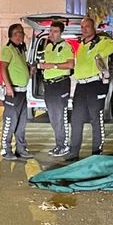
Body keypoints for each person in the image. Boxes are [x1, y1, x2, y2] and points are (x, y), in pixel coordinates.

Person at [68, 17, 113, 160]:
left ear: (93, 28)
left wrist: (97, 51)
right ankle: (73, 152)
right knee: (76, 119)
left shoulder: (102, 42)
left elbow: (112, 45)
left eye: (87, 27)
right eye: (82, 27)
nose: (84, 29)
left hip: (95, 84)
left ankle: (97, 152)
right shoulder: (81, 45)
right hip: (81, 86)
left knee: (96, 119)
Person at [38, 21, 74, 157]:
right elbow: (44, 63)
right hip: (49, 85)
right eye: (51, 30)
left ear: (61, 33)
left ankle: (64, 145)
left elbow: (71, 64)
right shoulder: (47, 47)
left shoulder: (66, 46)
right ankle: (58, 144)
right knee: (53, 117)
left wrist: (52, 66)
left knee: (61, 116)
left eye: (55, 31)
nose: (51, 34)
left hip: (61, 84)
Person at [0, 23, 33, 160]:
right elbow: (3, 69)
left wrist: (30, 70)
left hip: (22, 92)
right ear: (15, 34)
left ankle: (21, 148)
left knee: (21, 123)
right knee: (10, 121)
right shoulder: (8, 49)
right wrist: (8, 87)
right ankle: (5, 149)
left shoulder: (20, 50)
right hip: (13, 91)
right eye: (21, 33)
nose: (23, 35)